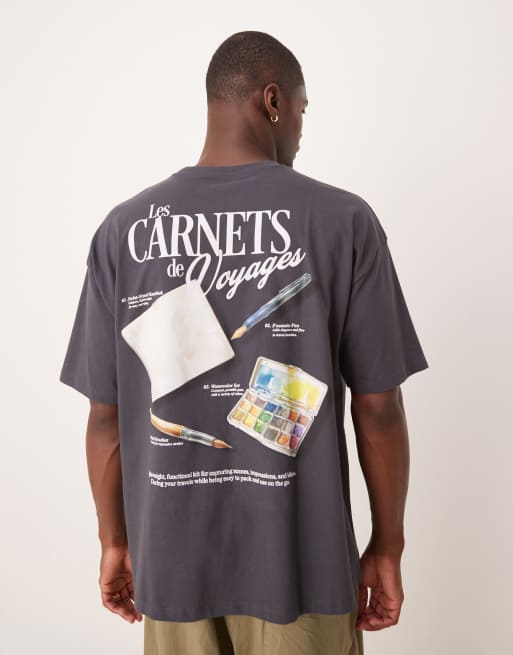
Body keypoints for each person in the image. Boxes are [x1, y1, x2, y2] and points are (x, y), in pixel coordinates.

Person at [59, 30, 429, 655]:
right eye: (303, 110)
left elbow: (105, 415)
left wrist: (115, 541)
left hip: (170, 567)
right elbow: (379, 409)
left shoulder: (123, 231)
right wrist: (387, 546)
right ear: (273, 101)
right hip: (305, 570)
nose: (302, 130)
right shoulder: (343, 221)